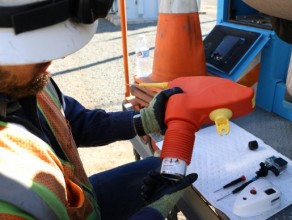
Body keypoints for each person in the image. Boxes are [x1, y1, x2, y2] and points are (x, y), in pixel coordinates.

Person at [0, 0, 197, 219]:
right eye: (38, 49)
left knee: (161, 167)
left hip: (81, 202)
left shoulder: (27, 81)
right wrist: (152, 213)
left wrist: (144, 120)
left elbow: (76, 122)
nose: (58, 57)